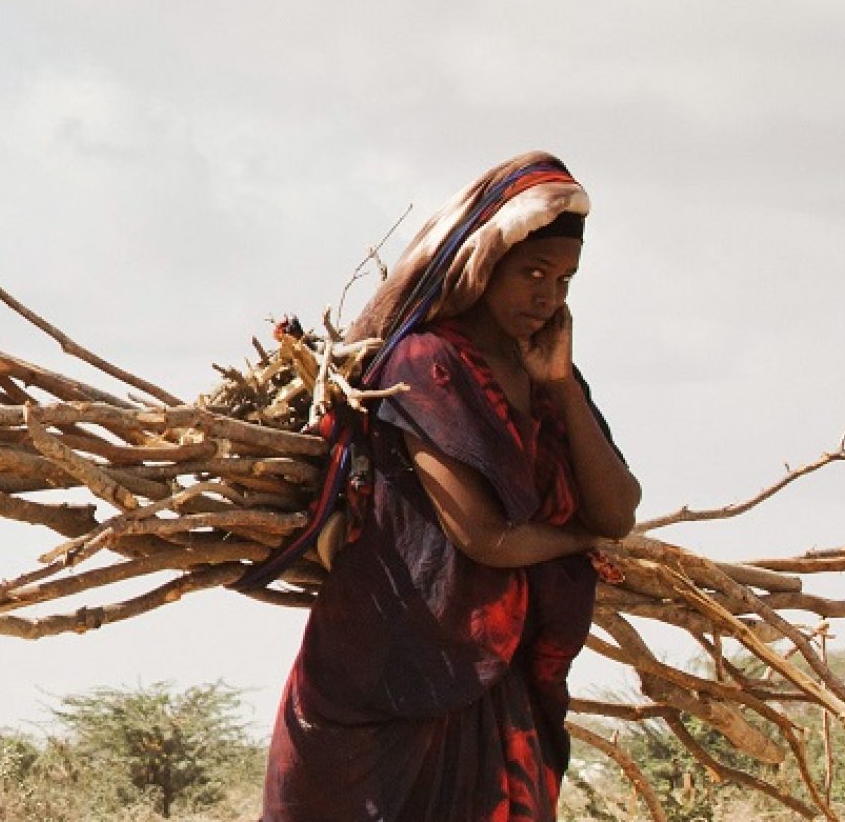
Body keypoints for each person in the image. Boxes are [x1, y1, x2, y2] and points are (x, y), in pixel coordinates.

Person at [255, 154, 644, 822]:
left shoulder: (547, 376)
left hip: (492, 679)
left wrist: (558, 387)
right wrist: (577, 540)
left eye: (564, 279)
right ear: (482, 262)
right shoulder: (424, 363)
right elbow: (484, 537)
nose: (548, 295)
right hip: (388, 676)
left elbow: (618, 510)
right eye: (531, 273)